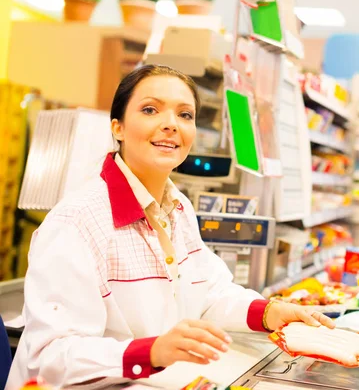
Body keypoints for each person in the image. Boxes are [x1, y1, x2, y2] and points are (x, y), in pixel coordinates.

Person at [7, 65, 335, 389]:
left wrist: (270, 313)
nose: (170, 125)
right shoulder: (76, 223)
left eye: (185, 115)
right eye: (150, 110)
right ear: (118, 127)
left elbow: (208, 292)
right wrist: (152, 351)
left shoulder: (177, 208)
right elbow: (49, 356)